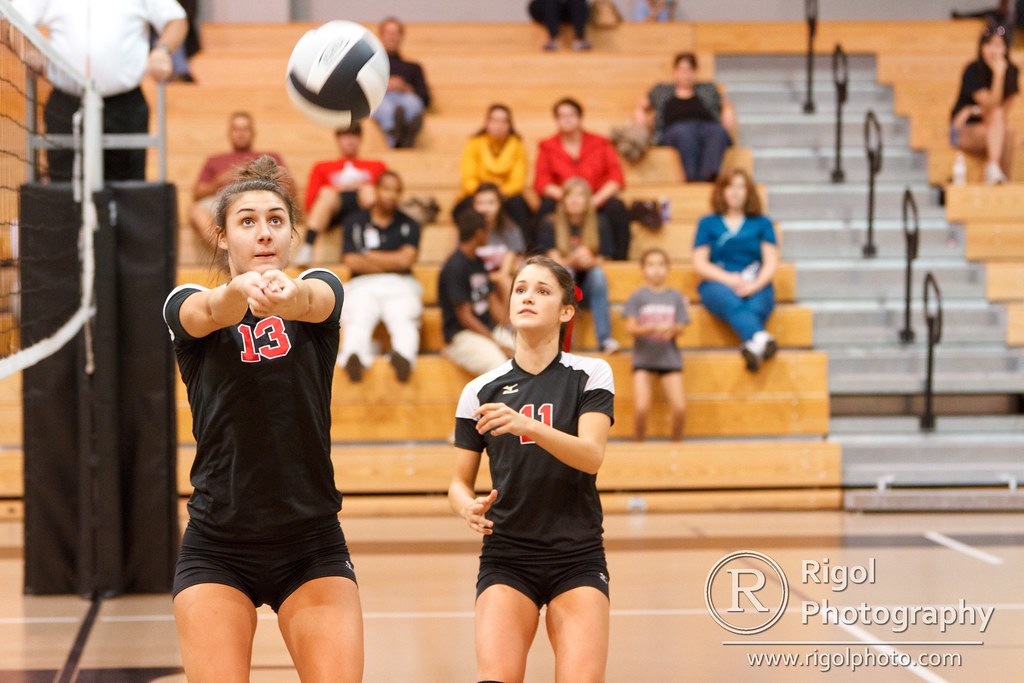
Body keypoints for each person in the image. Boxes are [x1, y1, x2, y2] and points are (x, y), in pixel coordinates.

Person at [163, 156, 362, 682]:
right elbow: (210, 312)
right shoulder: (186, 301)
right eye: (247, 221)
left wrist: (286, 296)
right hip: (218, 544)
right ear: (223, 237)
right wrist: (239, 294)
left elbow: (313, 300)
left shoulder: (322, 287)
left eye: (276, 220)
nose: (264, 232)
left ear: (293, 232)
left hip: (311, 541)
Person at [448, 255, 614, 683]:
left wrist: (528, 425)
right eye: (520, 289)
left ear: (565, 311)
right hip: (508, 556)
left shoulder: (591, 374)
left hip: (575, 555)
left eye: (542, 290)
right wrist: (466, 506)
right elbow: (457, 483)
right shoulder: (479, 390)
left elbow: (591, 456)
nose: (527, 297)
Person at [13, 0, 188, 182]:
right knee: (63, 190)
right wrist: (26, 49)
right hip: (66, 103)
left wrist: (162, 50)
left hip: (125, 106)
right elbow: (9, 18)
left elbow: (177, 20)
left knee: (127, 193)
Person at [338, 170, 422, 383]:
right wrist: (392, 261)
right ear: (376, 190)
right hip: (362, 284)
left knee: (404, 319)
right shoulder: (354, 222)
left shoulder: (410, 224)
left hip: (401, 284)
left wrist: (370, 256)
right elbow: (351, 261)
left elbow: (406, 261)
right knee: (358, 317)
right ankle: (354, 358)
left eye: (396, 191)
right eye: (386, 189)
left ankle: (403, 358)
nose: (391, 195)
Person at [692, 168, 779, 372]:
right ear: (722, 191)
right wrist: (730, 279)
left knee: (757, 302)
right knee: (728, 299)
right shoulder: (708, 223)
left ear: (749, 192)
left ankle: (752, 346)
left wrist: (754, 285)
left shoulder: (763, 223)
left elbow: (771, 262)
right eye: (730, 186)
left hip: (756, 281)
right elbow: (700, 263)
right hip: (718, 281)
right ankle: (761, 337)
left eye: (741, 187)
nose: (735, 192)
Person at [535, 97, 631, 260]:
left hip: (596, 199)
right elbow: (542, 182)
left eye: (571, 115)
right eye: (561, 116)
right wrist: (568, 198)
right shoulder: (547, 146)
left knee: (616, 207)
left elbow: (616, 177)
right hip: (563, 200)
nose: (567, 119)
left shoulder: (600, 143)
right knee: (545, 207)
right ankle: (541, 259)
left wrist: (592, 200)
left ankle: (618, 259)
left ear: (580, 118)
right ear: (556, 120)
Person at [537, 177, 618, 354]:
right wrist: (574, 259)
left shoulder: (599, 223)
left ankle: (605, 340)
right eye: (569, 196)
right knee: (566, 271)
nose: (574, 200)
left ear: (588, 200)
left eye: (580, 196)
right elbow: (552, 260)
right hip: (562, 290)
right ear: (563, 200)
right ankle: (565, 341)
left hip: (589, 290)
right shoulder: (550, 223)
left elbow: (605, 257)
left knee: (597, 274)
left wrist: (590, 261)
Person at [634, 52, 737, 183]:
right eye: (682, 70)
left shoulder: (708, 89)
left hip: (705, 127)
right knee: (685, 132)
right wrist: (639, 113)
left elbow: (725, 104)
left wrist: (728, 110)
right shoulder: (661, 90)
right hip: (675, 130)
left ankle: (710, 176)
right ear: (675, 71)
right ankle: (693, 178)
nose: (686, 74)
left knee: (718, 132)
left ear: (695, 72)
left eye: (690, 70)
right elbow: (641, 104)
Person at [190, 112, 288, 249]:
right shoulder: (214, 160)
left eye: (245, 129)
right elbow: (197, 194)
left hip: (260, 199)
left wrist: (261, 177)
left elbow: (289, 189)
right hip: (222, 201)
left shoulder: (270, 157)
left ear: (253, 133)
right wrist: (219, 181)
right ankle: (225, 251)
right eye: (236, 129)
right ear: (229, 133)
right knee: (196, 210)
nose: (241, 134)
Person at [296, 122, 388, 267]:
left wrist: (360, 186)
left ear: (360, 139)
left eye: (354, 135)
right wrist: (339, 188)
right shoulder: (322, 167)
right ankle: (308, 245)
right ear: (337, 139)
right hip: (333, 212)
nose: (350, 140)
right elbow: (310, 204)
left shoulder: (376, 166)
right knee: (327, 192)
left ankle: (377, 239)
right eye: (345, 135)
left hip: (364, 210)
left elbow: (386, 198)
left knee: (369, 190)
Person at [622, 248, 689, 441]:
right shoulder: (637, 297)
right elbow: (631, 328)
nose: (656, 270)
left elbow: (682, 327)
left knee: (679, 408)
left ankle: (675, 447)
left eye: (661, 265)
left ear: (668, 268)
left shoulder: (675, 296)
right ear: (643, 269)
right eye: (651, 265)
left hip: (670, 359)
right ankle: (639, 446)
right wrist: (652, 328)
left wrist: (672, 329)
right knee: (641, 408)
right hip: (644, 359)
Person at [439, 211, 514, 377]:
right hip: (461, 336)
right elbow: (464, 315)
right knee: (498, 365)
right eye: (487, 231)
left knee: (524, 354)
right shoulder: (454, 267)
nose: (488, 235)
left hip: (486, 329)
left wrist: (510, 329)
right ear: (479, 233)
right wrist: (496, 343)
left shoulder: (478, 262)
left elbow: (491, 300)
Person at [453, 104, 534, 242]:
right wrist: (484, 197)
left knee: (519, 204)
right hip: (478, 193)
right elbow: (468, 178)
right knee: (461, 210)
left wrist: (497, 196)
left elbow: (517, 181)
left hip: (506, 195)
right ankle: (469, 249)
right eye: (495, 120)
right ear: (487, 123)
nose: (499, 125)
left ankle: (521, 250)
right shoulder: (474, 143)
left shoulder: (518, 145)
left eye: (504, 121)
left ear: (510, 125)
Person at [950, 23, 1019, 184]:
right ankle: (996, 173)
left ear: (1005, 48)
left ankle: (995, 175)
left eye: (997, 45)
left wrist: (972, 109)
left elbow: (1000, 112)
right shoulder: (973, 71)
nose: (992, 50)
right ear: (981, 47)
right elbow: (992, 106)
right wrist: (998, 76)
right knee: (1003, 132)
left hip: (992, 128)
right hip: (963, 130)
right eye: (987, 44)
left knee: (1007, 133)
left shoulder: (1012, 72)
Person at [372, 16, 431, 148]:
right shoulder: (371, 67)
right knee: (385, 106)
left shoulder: (413, 67)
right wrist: (385, 87)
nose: (392, 37)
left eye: (396, 33)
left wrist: (404, 88)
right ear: (380, 36)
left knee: (411, 103)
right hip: (382, 100)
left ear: (401, 36)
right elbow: (363, 95)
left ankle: (398, 134)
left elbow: (426, 99)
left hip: (406, 99)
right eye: (388, 33)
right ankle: (402, 132)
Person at [472, 183, 528, 304]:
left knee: (507, 280)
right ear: (473, 205)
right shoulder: (468, 231)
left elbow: (505, 272)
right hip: (473, 281)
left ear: (499, 204)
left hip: (503, 279)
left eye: (491, 203)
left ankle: (510, 322)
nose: (485, 208)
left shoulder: (511, 230)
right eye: (480, 203)